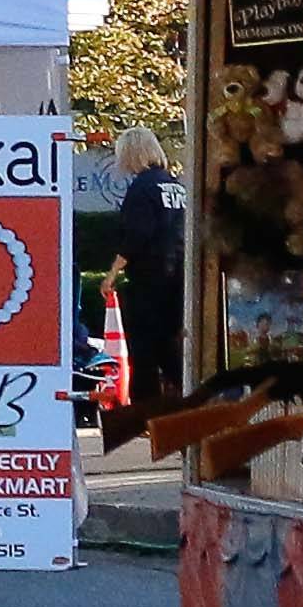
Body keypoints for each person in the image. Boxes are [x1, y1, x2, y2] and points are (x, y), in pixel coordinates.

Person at [110, 124, 189, 415]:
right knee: (171, 348)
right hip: (179, 277)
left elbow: (137, 236)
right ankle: (186, 403)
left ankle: (147, 413)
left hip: (149, 281)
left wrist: (112, 272)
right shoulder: (175, 186)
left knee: (144, 350)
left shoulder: (141, 189)